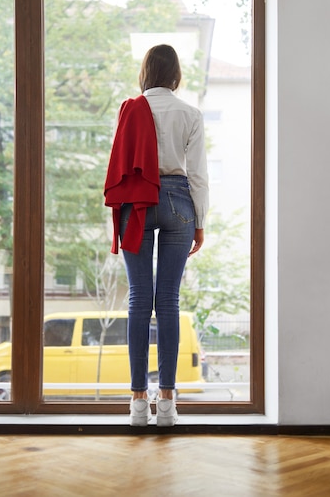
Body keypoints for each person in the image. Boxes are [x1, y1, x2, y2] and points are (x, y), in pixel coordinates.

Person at [104, 44, 209, 427]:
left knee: (138, 300)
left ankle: (136, 403)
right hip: (179, 200)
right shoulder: (190, 114)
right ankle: (166, 403)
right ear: (176, 75)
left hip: (137, 202)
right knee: (168, 301)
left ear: (145, 73)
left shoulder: (130, 109)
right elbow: (197, 173)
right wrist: (200, 220)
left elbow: (119, 166)